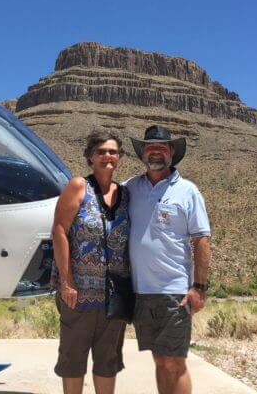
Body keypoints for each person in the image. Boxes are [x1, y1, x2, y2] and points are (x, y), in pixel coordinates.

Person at [124, 125, 212, 394]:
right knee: (159, 360)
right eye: (150, 147)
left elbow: (201, 241)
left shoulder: (187, 191)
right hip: (141, 292)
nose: (156, 152)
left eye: (162, 148)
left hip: (175, 292)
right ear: (142, 153)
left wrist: (199, 287)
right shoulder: (130, 188)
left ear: (172, 153)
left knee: (175, 362)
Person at [51, 130, 130, 394]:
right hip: (79, 293)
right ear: (90, 157)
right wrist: (67, 281)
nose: (108, 156)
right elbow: (59, 230)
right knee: (73, 360)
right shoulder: (78, 187)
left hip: (114, 295)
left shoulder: (126, 195)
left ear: (119, 157)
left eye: (113, 151)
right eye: (101, 151)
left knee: (107, 361)